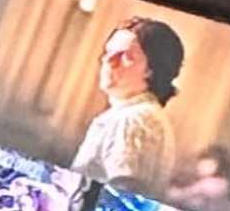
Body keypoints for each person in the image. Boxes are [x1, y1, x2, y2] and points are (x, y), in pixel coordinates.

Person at [67, 16, 187, 198]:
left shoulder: (133, 120)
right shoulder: (137, 114)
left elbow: (121, 196)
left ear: (151, 70)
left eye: (126, 56)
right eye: (108, 52)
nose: (108, 61)